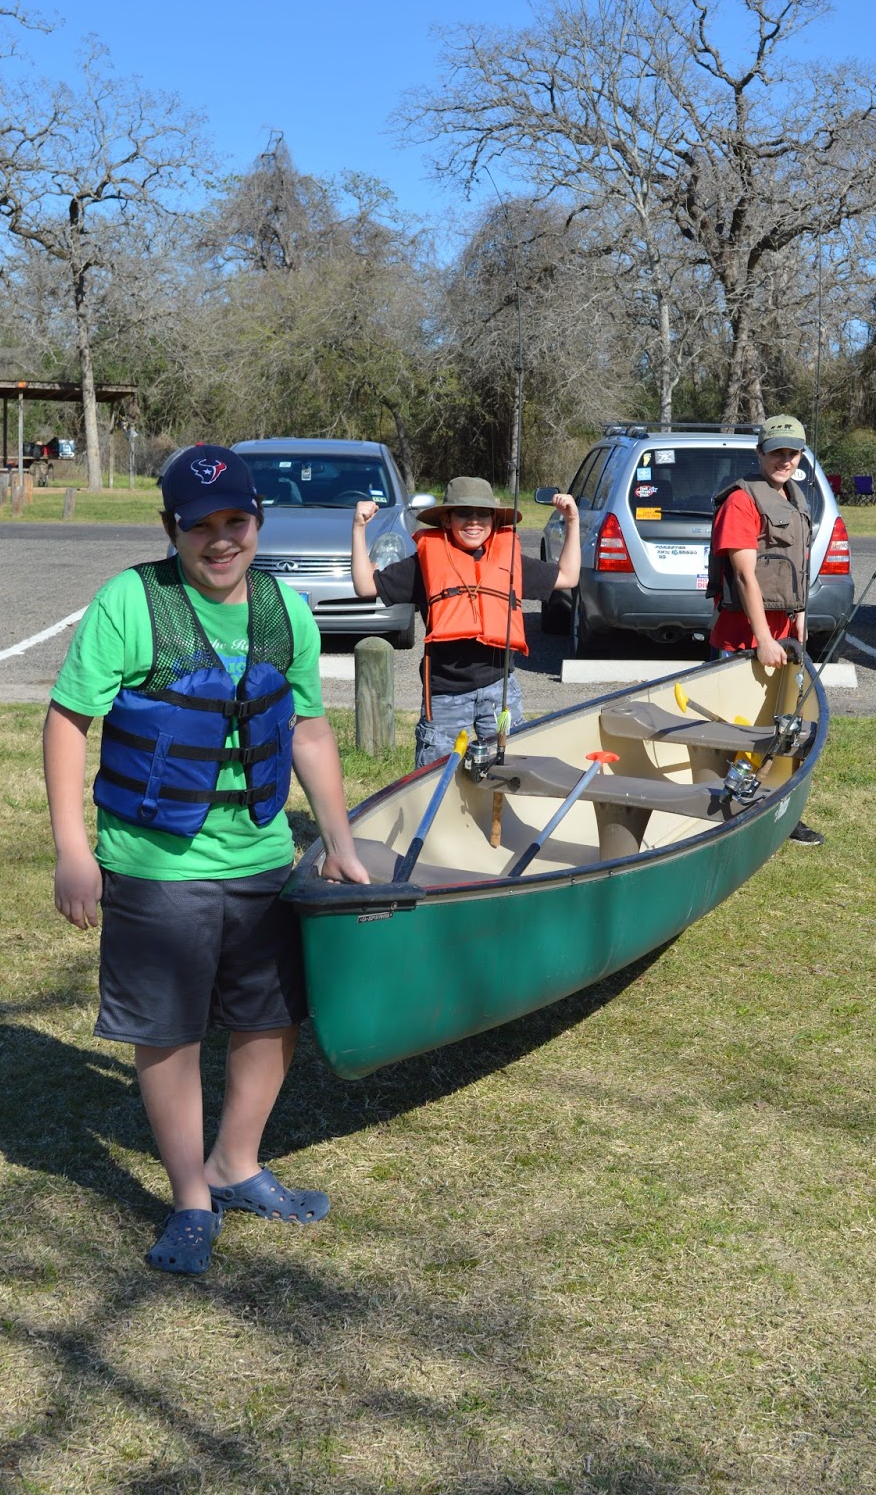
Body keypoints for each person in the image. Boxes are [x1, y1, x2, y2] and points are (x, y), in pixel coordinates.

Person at [43, 443, 369, 1277]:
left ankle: (237, 1162)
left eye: (237, 522)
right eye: (202, 527)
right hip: (155, 864)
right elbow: (68, 721)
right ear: (171, 530)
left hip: (261, 854)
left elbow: (308, 729)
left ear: (257, 522)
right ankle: (191, 1197)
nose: (221, 541)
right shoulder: (132, 602)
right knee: (169, 1030)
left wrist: (338, 840)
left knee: (272, 1017)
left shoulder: (284, 610)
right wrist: (74, 851)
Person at [352, 475, 580, 767]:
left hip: (500, 689)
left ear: (494, 520)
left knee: (509, 772)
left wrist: (572, 522)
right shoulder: (423, 565)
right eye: (463, 513)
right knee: (436, 779)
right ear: (447, 520)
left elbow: (568, 576)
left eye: (483, 514)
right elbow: (365, 586)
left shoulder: (510, 561)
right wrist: (359, 528)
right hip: (446, 693)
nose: (474, 521)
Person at [707, 414, 825, 848]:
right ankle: (729, 818)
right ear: (760, 452)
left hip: (785, 639)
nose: (784, 459)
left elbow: (795, 571)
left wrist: (798, 624)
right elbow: (744, 576)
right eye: (776, 451)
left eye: (792, 452)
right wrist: (762, 638)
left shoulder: (794, 498)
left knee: (786, 731)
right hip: (746, 641)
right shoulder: (741, 501)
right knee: (741, 735)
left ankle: (781, 812)